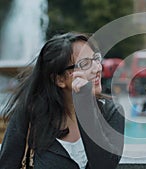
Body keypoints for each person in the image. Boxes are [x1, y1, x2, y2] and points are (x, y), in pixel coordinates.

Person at [0, 32, 124, 169]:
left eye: (96, 59)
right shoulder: (30, 115)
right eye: (85, 64)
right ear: (59, 79)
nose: (97, 68)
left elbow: (105, 165)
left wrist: (85, 105)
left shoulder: (112, 112)